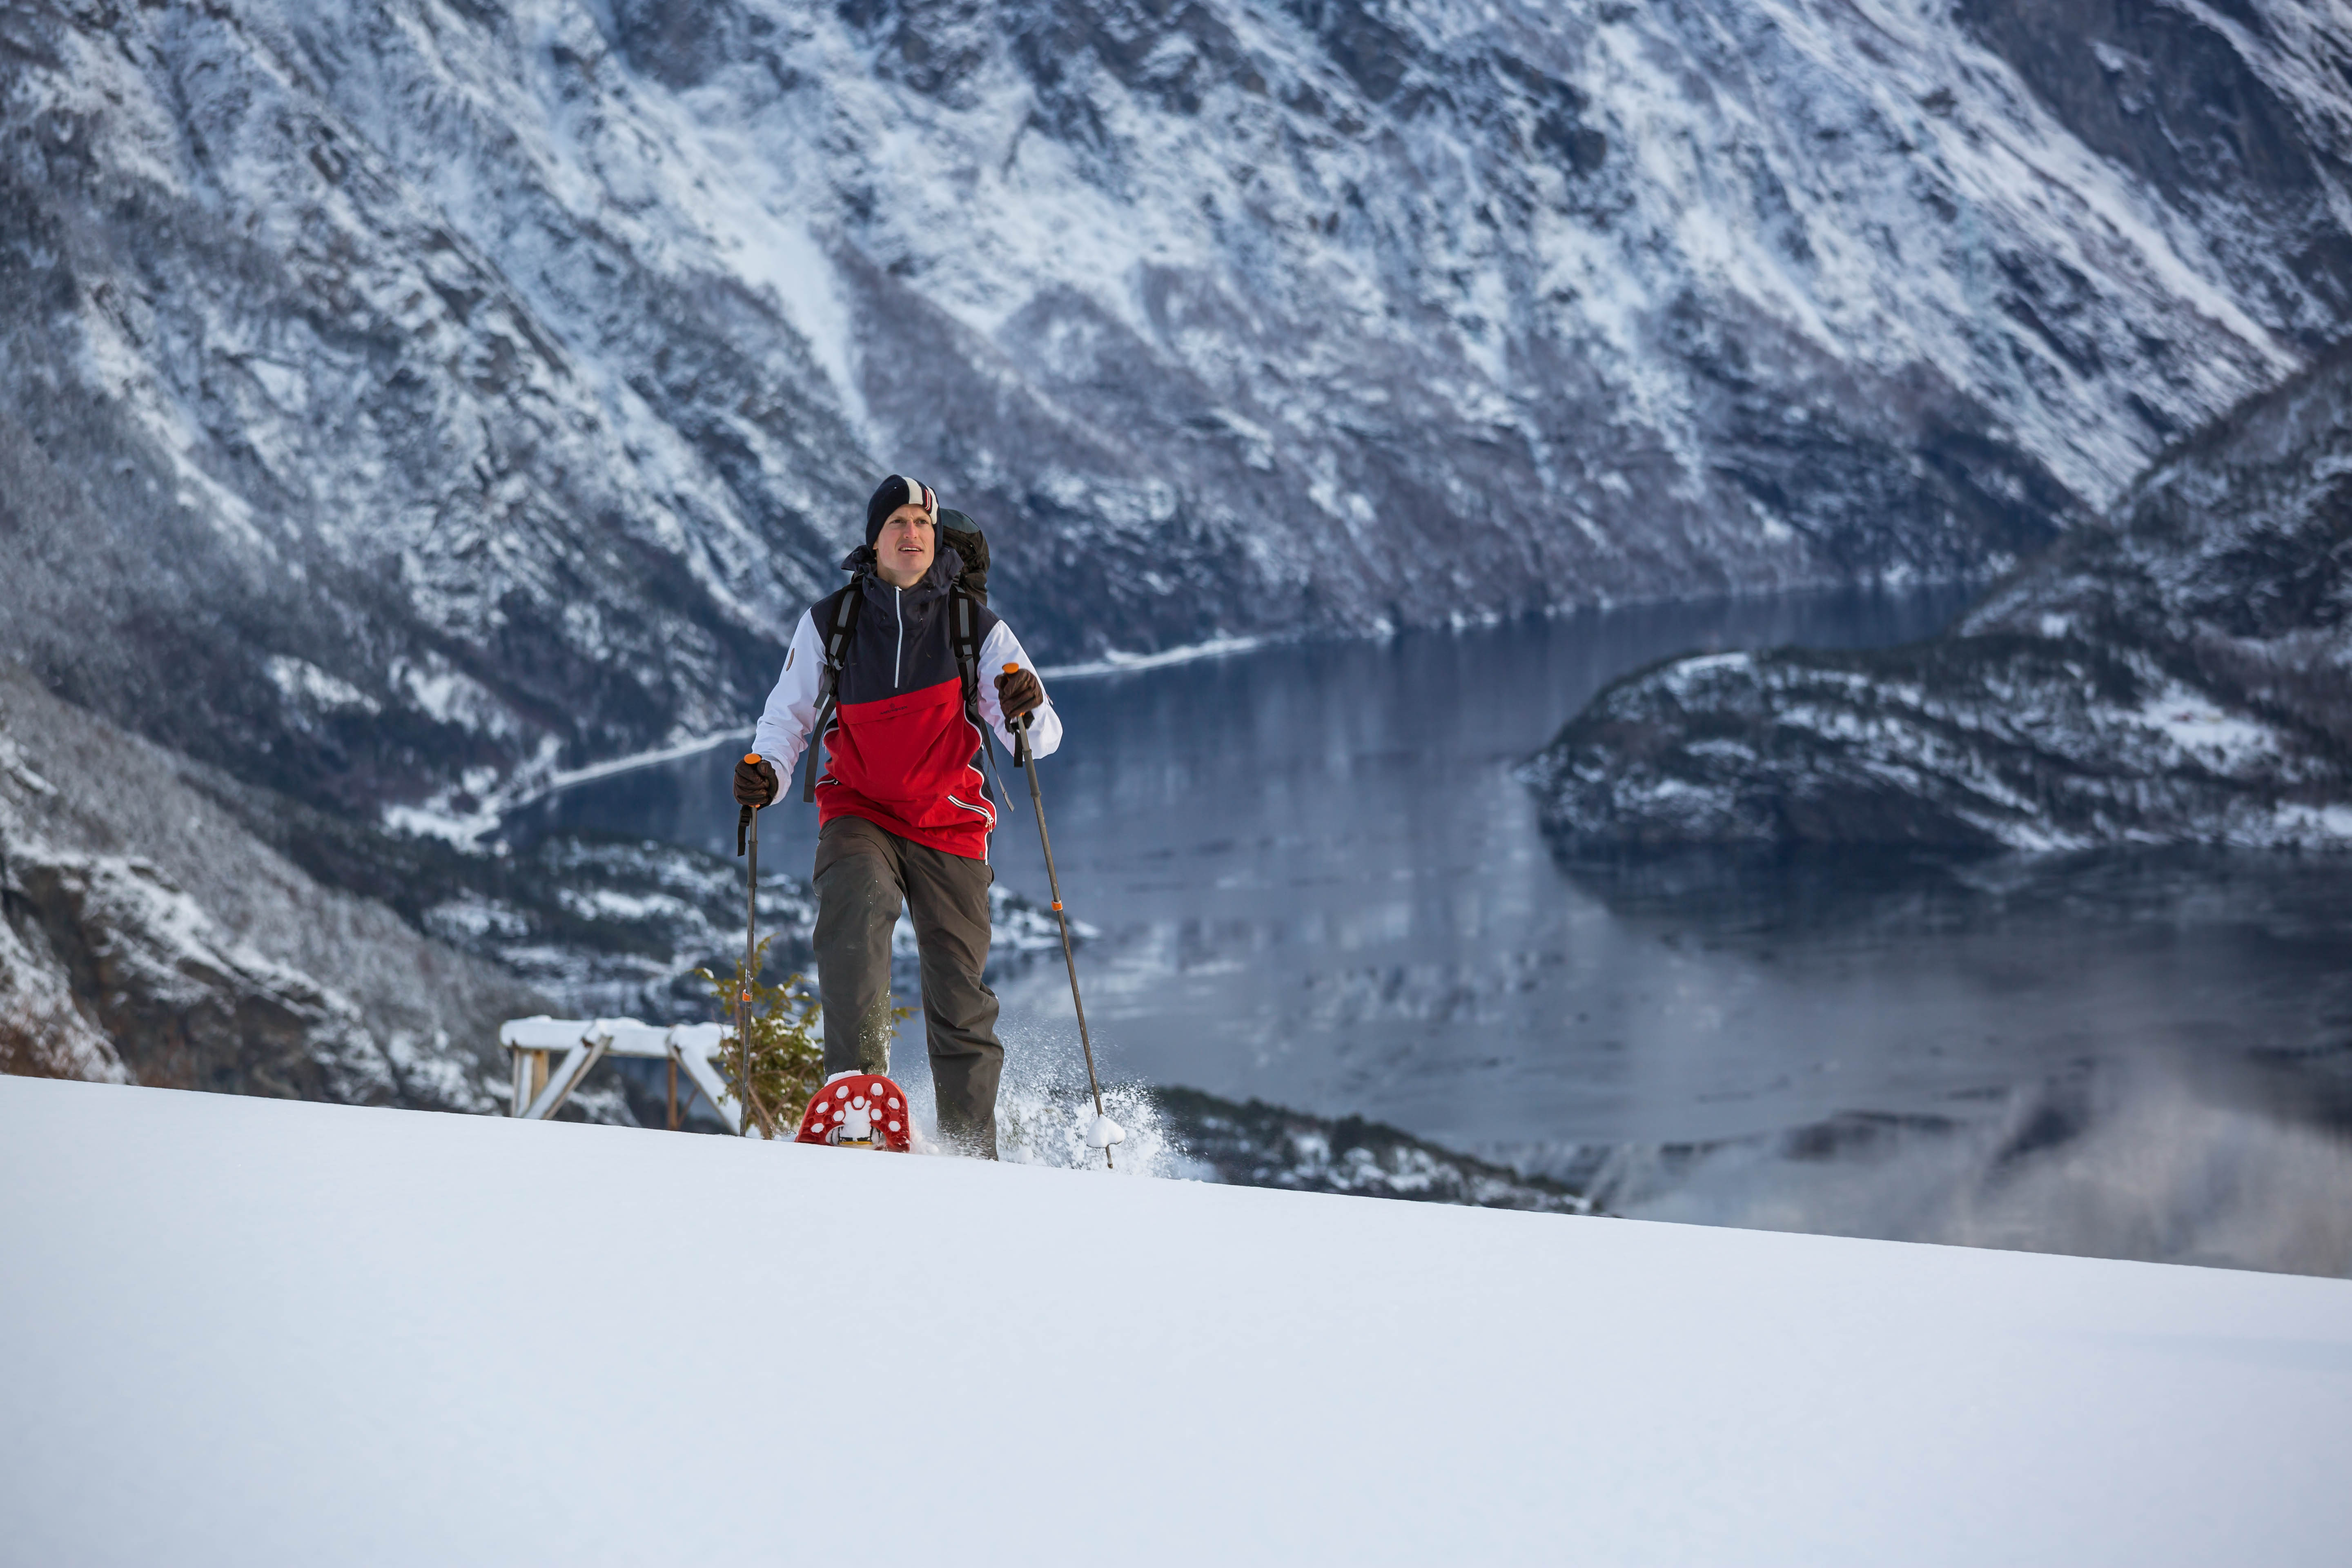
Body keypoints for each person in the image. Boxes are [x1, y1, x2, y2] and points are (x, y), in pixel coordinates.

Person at [734, 475, 1059, 1157]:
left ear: (935, 536)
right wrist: (766, 772)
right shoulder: (835, 620)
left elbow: (1040, 737)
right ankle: (858, 1101)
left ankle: (972, 1151)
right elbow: (788, 715)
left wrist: (1026, 707)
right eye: (897, 523)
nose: (911, 534)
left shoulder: (974, 626)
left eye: (922, 522)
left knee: (959, 994)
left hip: (950, 821)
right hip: (862, 809)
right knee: (857, 904)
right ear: (874, 539)